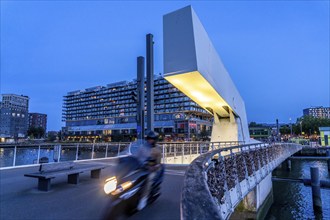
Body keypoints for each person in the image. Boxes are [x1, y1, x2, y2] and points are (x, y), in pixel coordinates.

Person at [137, 131, 162, 210]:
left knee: (148, 179)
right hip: (142, 167)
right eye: (149, 139)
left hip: (152, 169)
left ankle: (143, 199)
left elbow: (158, 162)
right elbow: (137, 156)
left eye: (152, 139)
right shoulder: (142, 147)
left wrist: (154, 166)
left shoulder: (157, 149)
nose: (150, 140)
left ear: (155, 140)